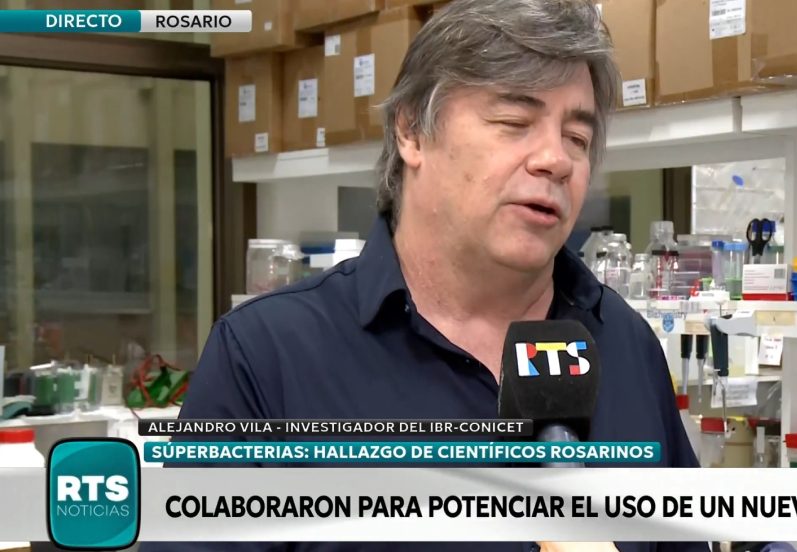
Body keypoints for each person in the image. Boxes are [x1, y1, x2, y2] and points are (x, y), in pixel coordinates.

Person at [141, 0, 703, 550]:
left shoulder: (625, 344)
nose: (555, 159)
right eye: (514, 122)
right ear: (411, 131)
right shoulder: (266, 357)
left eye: (577, 139)